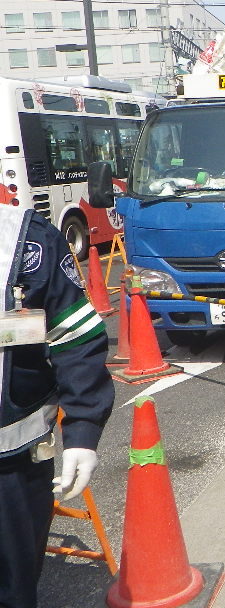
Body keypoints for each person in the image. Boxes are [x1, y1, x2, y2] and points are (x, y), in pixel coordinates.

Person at [0, 204, 113, 608]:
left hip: (12, 464)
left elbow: (75, 339)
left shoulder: (24, 239)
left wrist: (82, 430)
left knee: (12, 588)